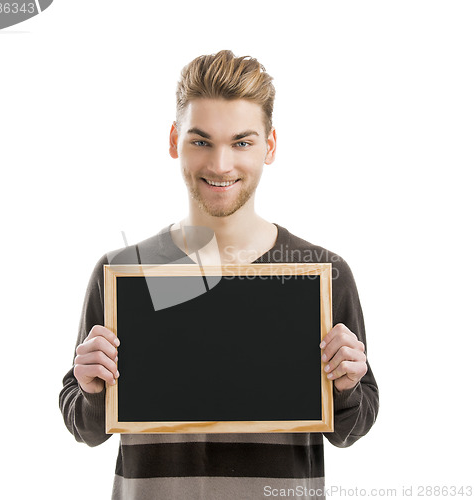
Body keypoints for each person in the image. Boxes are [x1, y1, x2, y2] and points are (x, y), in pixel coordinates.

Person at [59, 49, 379, 500]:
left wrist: (346, 384)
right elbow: (83, 424)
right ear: (175, 141)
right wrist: (91, 388)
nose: (220, 164)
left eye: (242, 142)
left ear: (269, 146)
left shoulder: (324, 275)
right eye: (201, 141)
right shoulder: (123, 272)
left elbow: (353, 426)